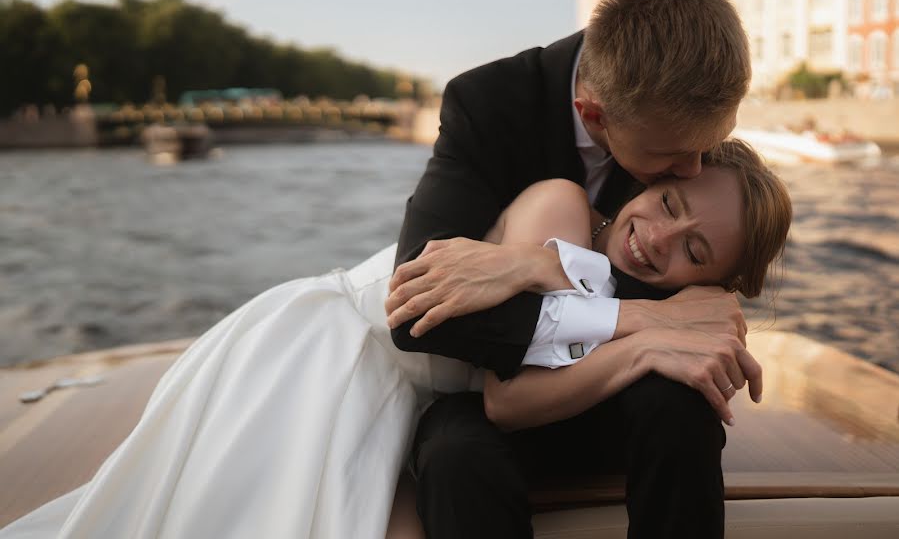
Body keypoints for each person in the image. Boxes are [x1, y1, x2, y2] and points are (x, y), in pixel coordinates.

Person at [0, 140, 790, 539]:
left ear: (713, 278)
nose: (658, 237)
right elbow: (507, 396)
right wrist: (648, 334)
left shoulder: (666, 293)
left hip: (406, 379)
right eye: (665, 199)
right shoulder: (559, 209)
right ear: (647, 176)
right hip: (339, 355)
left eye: (693, 250)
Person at [384, 0, 757, 538]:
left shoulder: (681, 111)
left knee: (682, 406)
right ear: (594, 114)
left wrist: (706, 298)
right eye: (671, 157)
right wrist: (647, 318)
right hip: (491, 382)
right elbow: (418, 314)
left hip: (602, 383)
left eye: (707, 145)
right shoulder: (488, 104)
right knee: (457, 455)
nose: (695, 170)